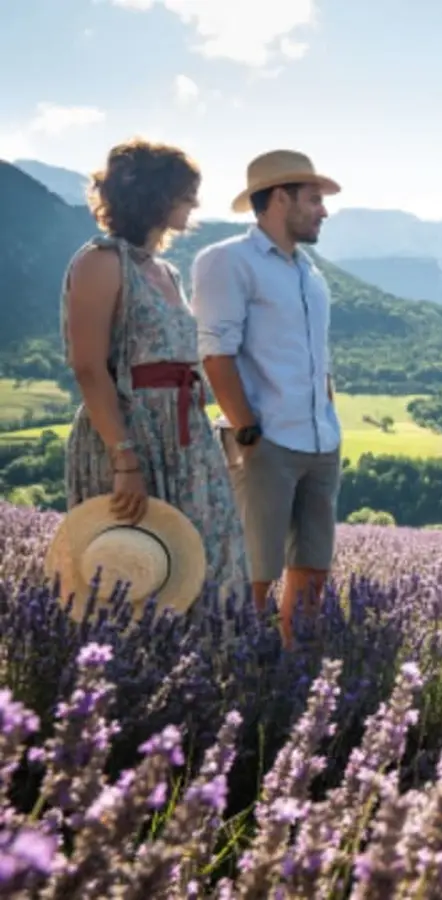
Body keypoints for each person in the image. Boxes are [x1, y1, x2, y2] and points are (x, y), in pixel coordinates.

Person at [60, 138, 249, 610]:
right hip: (132, 434)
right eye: (185, 193)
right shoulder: (100, 262)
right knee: (138, 575)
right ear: (153, 197)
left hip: (187, 439)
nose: (195, 203)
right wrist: (124, 458)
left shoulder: (165, 270)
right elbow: (87, 367)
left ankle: (213, 678)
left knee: (213, 564)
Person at [189, 149, 342, 650]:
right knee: (254, 571)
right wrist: (248, 430)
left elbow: (317, 356)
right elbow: (215, 351)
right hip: (266, 440)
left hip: (321, 440)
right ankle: (237, 669)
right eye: (314, 199)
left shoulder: (309, 273)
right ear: (281, 198)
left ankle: (292, 670)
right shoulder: (226, 260)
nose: (323, 210)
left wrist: (329, 414)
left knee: (313, 567)